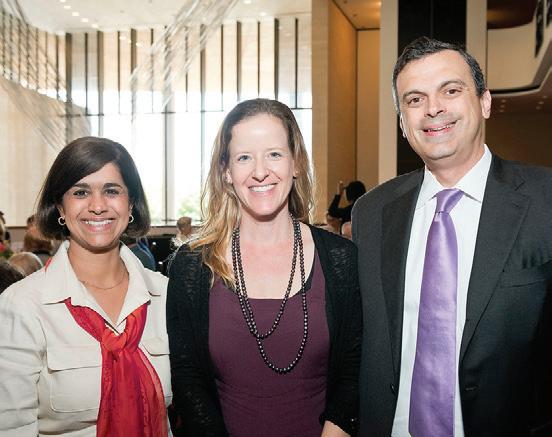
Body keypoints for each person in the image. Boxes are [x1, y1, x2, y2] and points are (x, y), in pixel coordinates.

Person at [353, 36, 552, 437]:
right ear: (402, 122)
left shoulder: (545, 200)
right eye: (414, 99)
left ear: (485, 102)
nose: (433, 108)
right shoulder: (371, 213)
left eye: (450, 90)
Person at [167, 98, 361, 437]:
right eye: (244, 157)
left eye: (274, 154)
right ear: (226, 172)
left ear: (296, 162)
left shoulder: (341, 259)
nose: (260, 171)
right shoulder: (192, 266)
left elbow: (353, 368)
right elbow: (188, 378)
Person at [0, 136, 172, 436]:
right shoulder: (23, 304)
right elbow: (12, 426)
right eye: (81, 192)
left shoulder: (165, 296)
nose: (98, 206)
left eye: (112, 191)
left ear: (131, 203)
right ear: (60, 208)